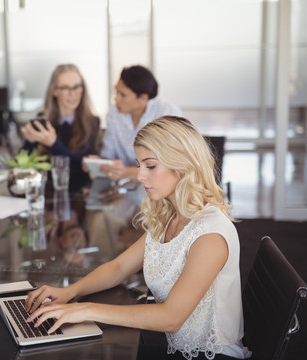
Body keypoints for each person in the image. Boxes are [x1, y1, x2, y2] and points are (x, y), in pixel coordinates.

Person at [25, 116, 251, 360]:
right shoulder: (170, 214)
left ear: (182, 165)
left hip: (210, 355)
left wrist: (85, 310)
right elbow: (120, 267)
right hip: (173, 344)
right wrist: (70, 292)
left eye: (150, 166)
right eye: (139, 164)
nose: (140, 175)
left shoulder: (210, 234)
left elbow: (171, 318)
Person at [90, 65, 182, 182]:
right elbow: (108, 153)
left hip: (162, 186)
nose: (116, 99)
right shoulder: (114, 112)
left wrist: (127, 172)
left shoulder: (167, 113)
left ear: (143, 98)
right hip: (124, 190)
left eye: (123, 95)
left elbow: (172, 165)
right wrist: (100, 162)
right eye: (116, 92)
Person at [20, 64, 100, 193]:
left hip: (80, 195)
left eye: (77, 87)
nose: (73, 94)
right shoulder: (42, 120)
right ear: (55, 91)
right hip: (48, 192)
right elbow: (21, 164)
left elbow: (81, 166)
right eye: (65, 88)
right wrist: (29, 143)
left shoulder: (92, 122)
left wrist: (53, 143)